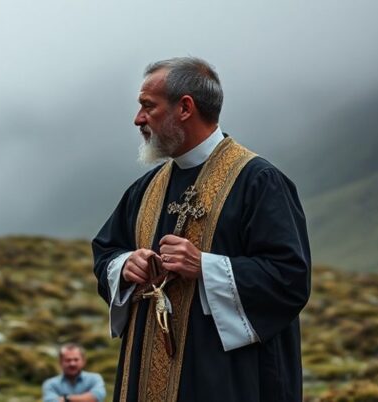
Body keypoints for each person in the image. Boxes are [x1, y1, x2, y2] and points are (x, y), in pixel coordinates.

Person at [92, 57, 311, 401]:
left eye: (148, 106)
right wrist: (125, 266)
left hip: (227, 378)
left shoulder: (259, 182)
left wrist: (204, 267)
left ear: (185, 108)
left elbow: (290, 278)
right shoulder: (146, 189)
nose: (138, 119)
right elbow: (106, 250)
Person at [42, 343, 106, 402]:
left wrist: (66, 398)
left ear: (83, 361)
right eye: (68, 360)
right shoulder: (51, 384)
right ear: (60, 362)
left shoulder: (94, 378)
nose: (72, 363)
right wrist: (85, 398)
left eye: (76, 359)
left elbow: (96, 397)